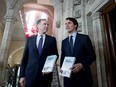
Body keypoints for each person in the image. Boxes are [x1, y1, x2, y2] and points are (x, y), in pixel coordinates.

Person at [19, 19, 58, 87]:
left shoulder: (52, 40)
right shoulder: (30, 39)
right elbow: (24, 58)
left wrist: (49, 67)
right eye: (44, 24)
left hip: (45, 76)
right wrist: (22, 75)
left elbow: (55, 55)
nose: (47, 26)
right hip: (30, 75)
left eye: (47, 24)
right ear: (38, 26)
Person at [60, 17, 96, 87]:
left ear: (75, 25)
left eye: (69, 23)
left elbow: (92, 55)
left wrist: (82, 65)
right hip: (68, 79)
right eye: (65, 24)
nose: (67, 25)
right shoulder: (64, 42)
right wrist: (62, 68)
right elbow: (63, 57)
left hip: (83, 77)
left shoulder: (84, 38)